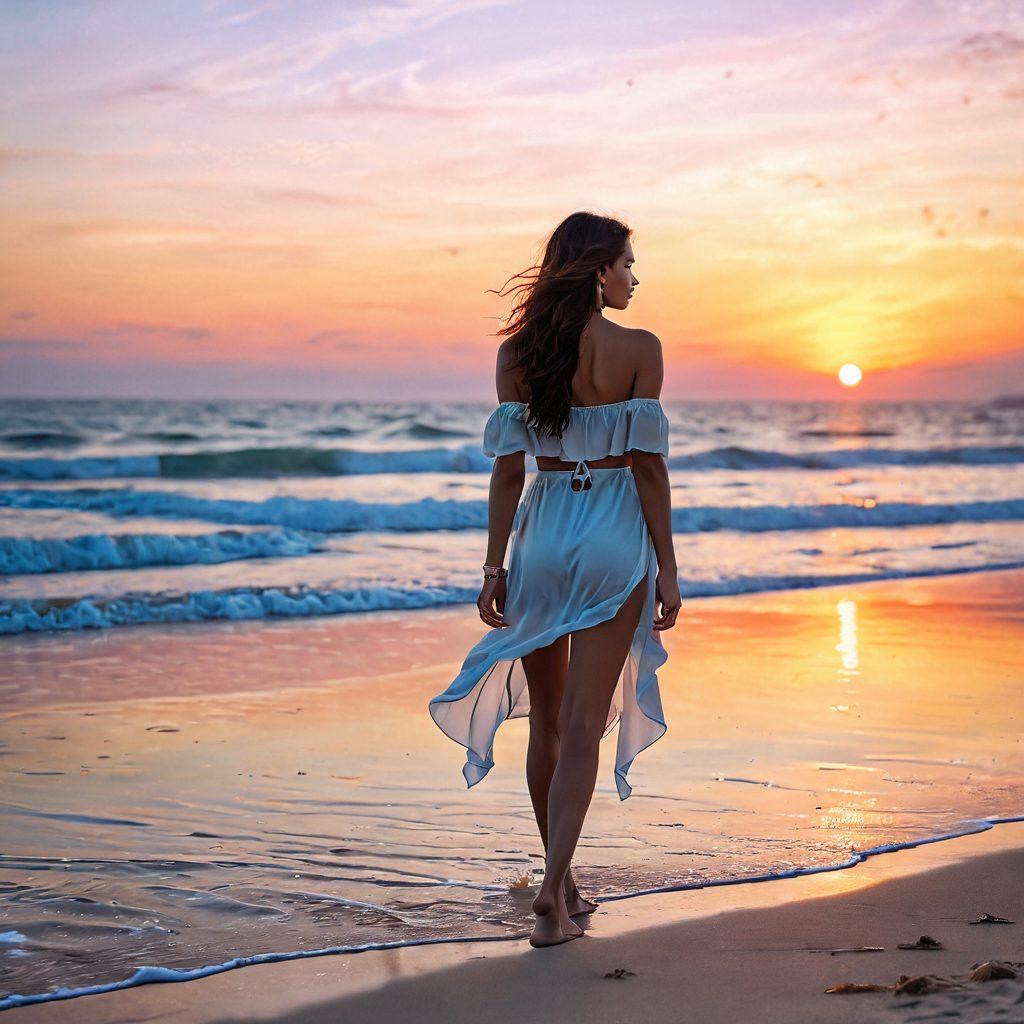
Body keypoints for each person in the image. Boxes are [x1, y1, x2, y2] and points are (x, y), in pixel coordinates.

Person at [427, 210, 680, 948]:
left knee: (548, 720)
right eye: (629, 263)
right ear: (599, 268)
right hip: (611, 533)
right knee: (582, 728)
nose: (635, 277)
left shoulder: (518, 354)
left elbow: (508, 472)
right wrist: (667, 567)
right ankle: (552, 897)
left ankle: (562, 884)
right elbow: (648, 469)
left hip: (541, 532)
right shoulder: (639, 348)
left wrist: (493, 565)